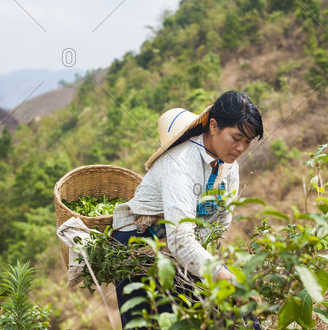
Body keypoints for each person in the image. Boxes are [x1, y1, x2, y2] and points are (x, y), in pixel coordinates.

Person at [111, 89, 263, 298]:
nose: (241, 148)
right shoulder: (180, 163)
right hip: (139, 242)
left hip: (180, 245)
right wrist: (225, 279)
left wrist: (210, 266)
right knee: (149, 327)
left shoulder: (229, 166)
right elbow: (180, 239)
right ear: (213, 125)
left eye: (247, 142)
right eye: (236, 138)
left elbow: (219, 224)